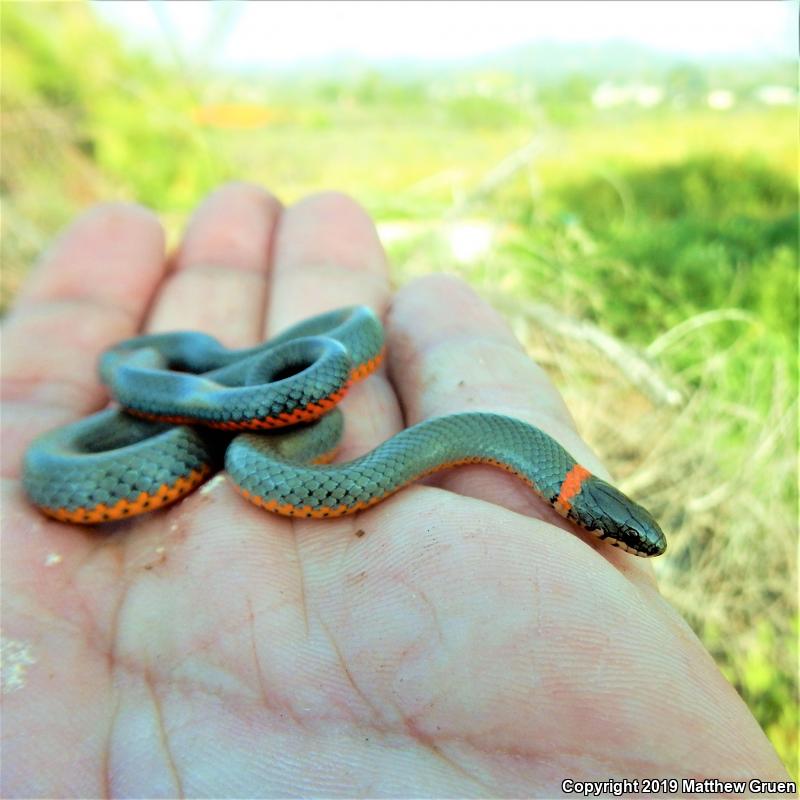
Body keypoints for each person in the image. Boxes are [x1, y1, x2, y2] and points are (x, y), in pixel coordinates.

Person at [1, 184, 789, 796]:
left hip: (254, 408)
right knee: (247, 407)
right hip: (206, 416)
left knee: (273, 411)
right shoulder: (265, 411)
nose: (627, 547)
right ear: (586, 511)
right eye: (623, 537)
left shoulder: (397, 407)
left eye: (622, 538)